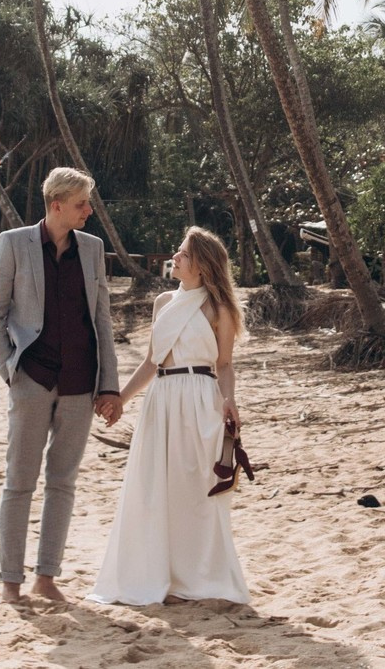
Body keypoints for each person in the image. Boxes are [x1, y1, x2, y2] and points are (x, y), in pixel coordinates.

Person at [0, 167, 122, 605]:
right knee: (19, 482)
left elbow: (102, 320)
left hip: (82, 383)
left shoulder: (93, 248)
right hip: (32, 379)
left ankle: (47, 577)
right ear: (57, 203)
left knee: (63, 481)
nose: (89, 211)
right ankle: (10, 582)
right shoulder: (14, 243)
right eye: (82, 203)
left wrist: (111, 385)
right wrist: (10, 370)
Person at [91, 225, 249, 607]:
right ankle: (158, 576)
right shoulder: (163, 302)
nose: (174, 258)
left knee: (196, 491)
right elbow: (151, 361)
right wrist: (121, 399)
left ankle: (197, 579)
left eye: (182, 254)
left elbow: (225, 364)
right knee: (154, 487)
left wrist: (229, 400)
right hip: (161, 399)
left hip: (200, 399)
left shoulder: (220, 309)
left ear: (201, 266)